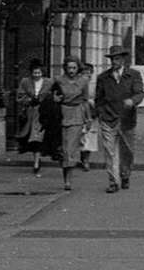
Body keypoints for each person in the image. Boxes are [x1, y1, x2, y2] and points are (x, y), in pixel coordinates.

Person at [95, 45, 144, 193]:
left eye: (117, 58)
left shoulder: (134, 75)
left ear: (123, 59)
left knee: (127, 151)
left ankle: (125, 174)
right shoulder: (103, 78)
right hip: (108, 119)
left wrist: (133, 101)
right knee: (110, 151)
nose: (114, 62)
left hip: (126, 119)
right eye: (112, 59)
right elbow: (99, 99)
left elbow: (140, 93)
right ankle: (113, 182)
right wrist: (101, 114)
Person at [51, 56, 90, 191]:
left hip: (76, 114)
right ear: (65, 68)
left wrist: (88, 118)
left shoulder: (84, 81)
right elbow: (51, 96)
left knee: (70, 148)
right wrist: (55, 99)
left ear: (78, 68)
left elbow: (85, 100)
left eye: (74, 67)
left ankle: (68, 179)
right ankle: (65, 175)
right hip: (61, 114)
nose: (71, 70)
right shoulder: (58, 80)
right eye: (69, 67)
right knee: (63, 148)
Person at [15, 60, 60, 176]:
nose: (36, 75)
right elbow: (19, 96)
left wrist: (47, 101)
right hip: (30, 112)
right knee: (32, 138)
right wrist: (28, 100)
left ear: (42, 73)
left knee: (39, 137)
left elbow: (55, 94)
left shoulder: (49, 82)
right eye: (34, 73)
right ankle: (36, 160)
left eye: (38, 73)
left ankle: (37, 161)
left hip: (44, 113)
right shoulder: (25, 82)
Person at [77, 62, 97, 171]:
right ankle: (81, 157)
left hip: (91, 114)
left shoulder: (94, 84)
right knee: (80, 137)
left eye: (89, 73)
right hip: (79, 113)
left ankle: (86, 160)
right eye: (84, 73)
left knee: (89, 137)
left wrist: (93, 102)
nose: (87, 75)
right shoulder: (78, 83)